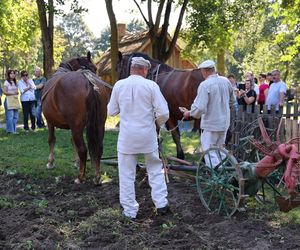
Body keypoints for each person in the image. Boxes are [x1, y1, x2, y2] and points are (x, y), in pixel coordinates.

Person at [107, 56, 170, 220]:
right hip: (148, 136)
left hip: (127, 137)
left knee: (126, 175)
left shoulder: (119, 86)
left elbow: (111, 111)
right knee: (155, 170)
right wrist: (157, 124)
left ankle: (129, 211)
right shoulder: (151, 86)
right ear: (145, 70)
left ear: (131, 68)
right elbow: (163, 112)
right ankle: (161, 204)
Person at [183, 60, 234, 167]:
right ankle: (227, 173)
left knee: (210, 152)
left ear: (205, 71)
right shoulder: (226, 81)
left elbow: (200, 108)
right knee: (220, 150)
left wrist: (189, 113)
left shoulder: (205, 85)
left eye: (202, 71)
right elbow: (232, 101)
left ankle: (216, 176)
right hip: (224, 123)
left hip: (211, 124)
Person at [2, 69, 19, 134]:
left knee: (15, 116)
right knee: (10, 116)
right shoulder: (6, 82)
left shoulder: (15, 82)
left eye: (14, 73)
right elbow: (5, 92)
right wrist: (13, 93)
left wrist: (16, 93)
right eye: (11, 73)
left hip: (15, 100)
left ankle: (14, 130)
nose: (12, 75)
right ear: (8, 75)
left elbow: (17, 91)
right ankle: (10, 131)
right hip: (8, 100)